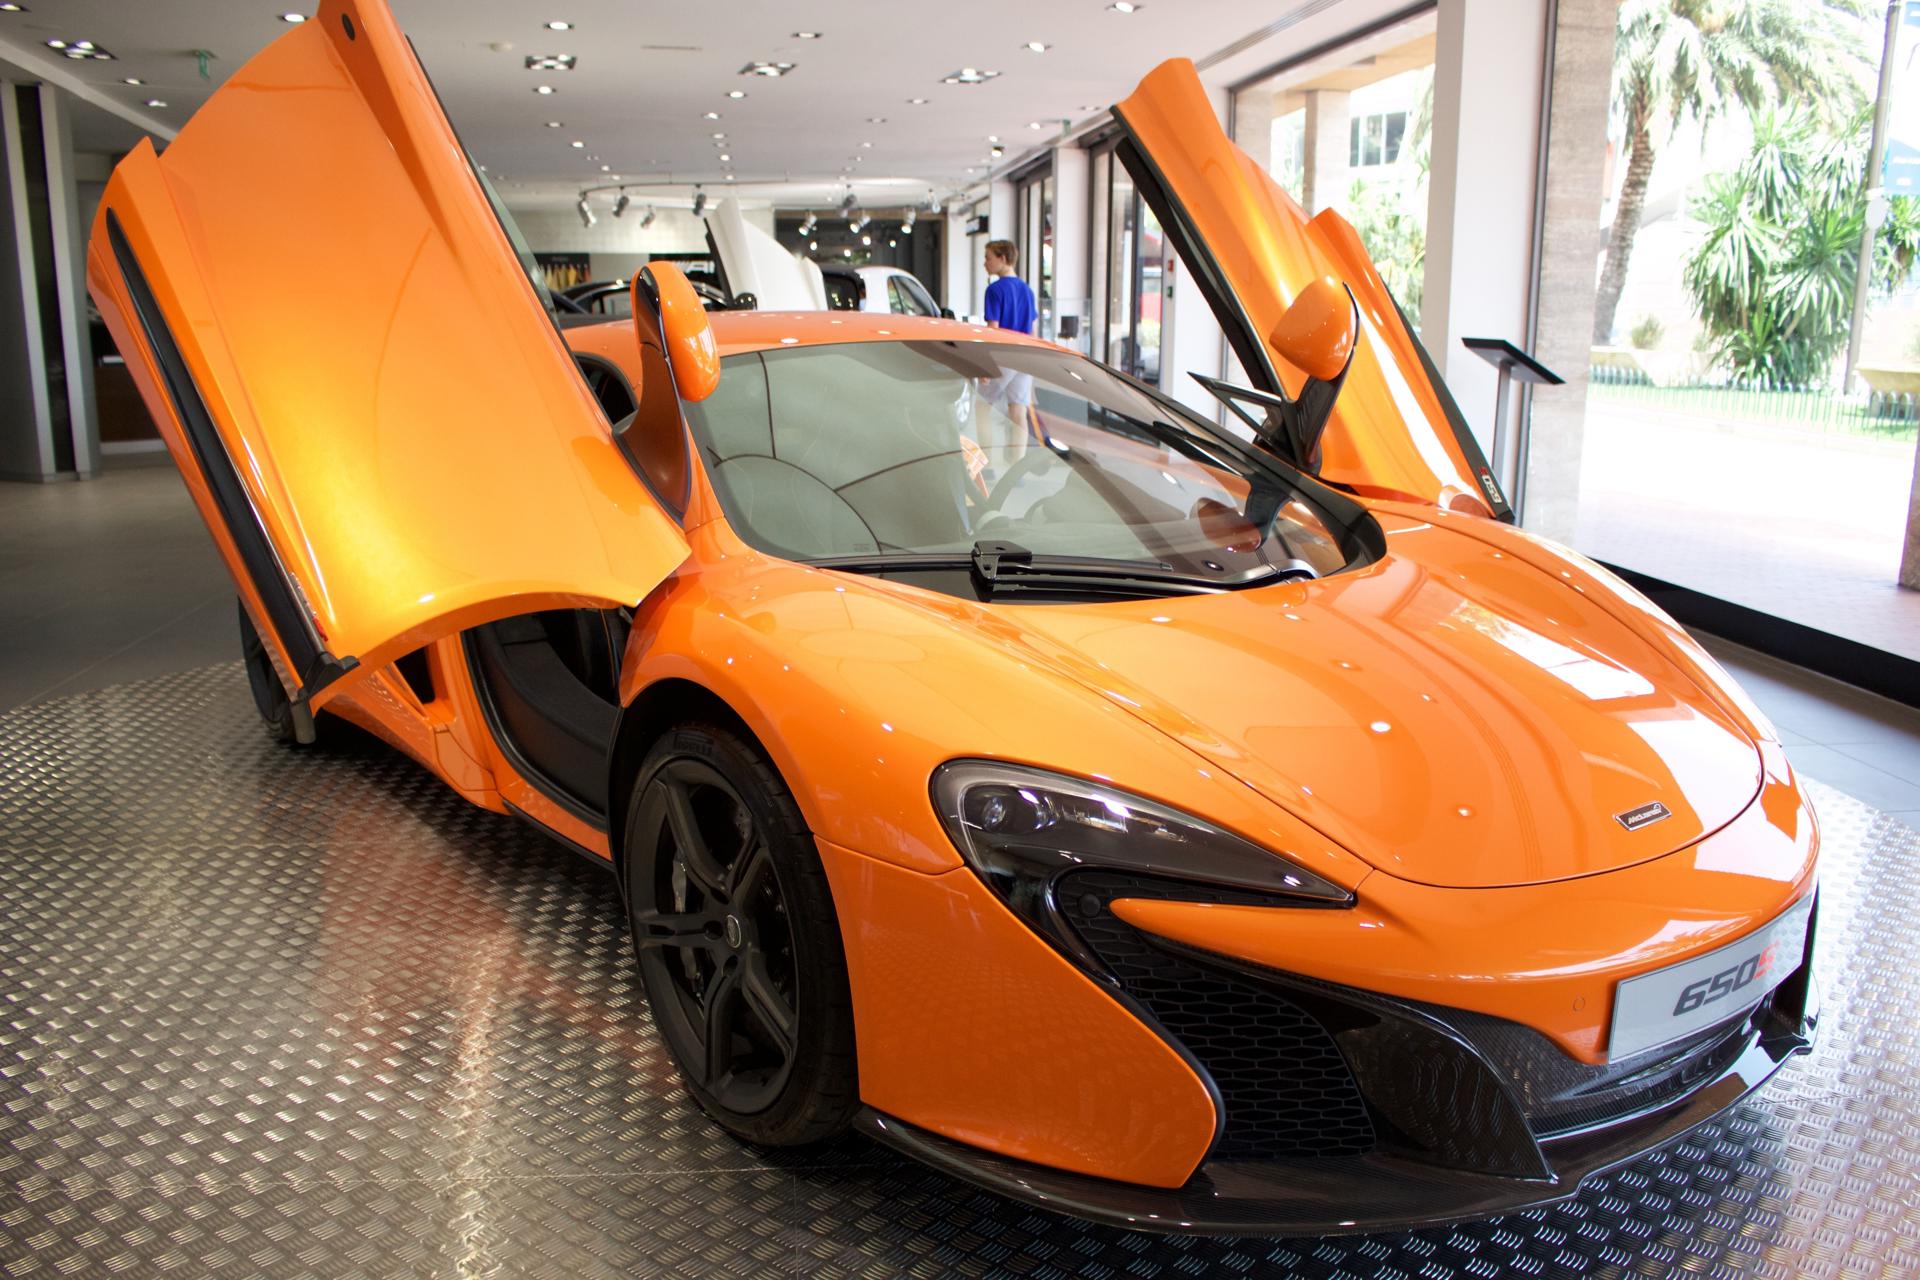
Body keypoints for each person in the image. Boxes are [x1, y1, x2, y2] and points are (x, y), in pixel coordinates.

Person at [978, 241, 1039, 467]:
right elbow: (1032, 331)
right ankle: (1017, 468)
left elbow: (992, 330)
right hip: (1024, 357)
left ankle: (987, 466)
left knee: (982, 407)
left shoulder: (994, 290)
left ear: (1003, 258)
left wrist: (985, 363)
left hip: (1002, 357)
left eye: (989, 257)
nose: (985, 263)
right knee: (1018, 411)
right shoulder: (1027, 290)